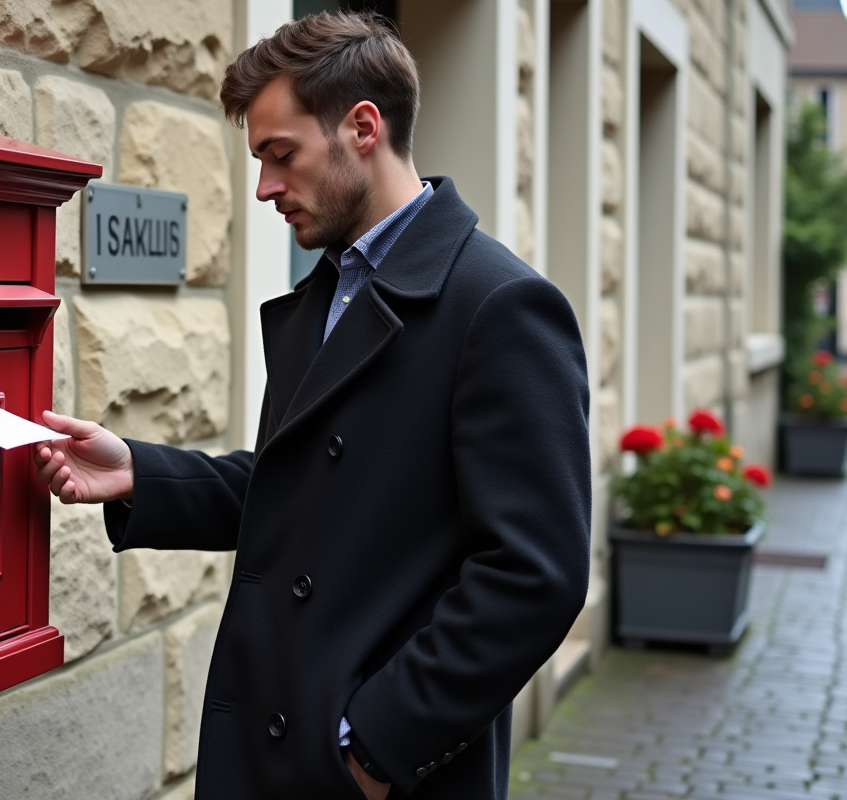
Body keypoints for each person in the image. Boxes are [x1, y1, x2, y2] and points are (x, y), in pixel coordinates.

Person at [35, 11, 591, 799]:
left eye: (280, 155)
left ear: (363, 127)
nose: (263, 188)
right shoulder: (329, 292)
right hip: (273, 744)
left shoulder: (499, 306)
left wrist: (374, 746)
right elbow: (304, 488)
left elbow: (535, 576)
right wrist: (142, 474)